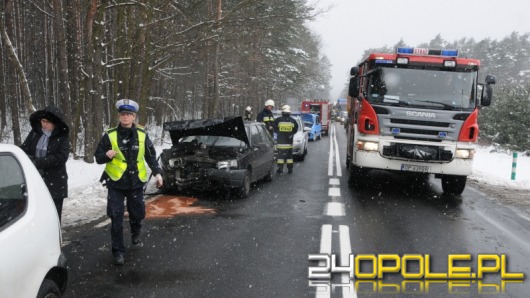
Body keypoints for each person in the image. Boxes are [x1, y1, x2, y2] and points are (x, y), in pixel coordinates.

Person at [95, 99, 164, 265]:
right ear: (119, 116)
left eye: (129, 114)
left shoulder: (142, 135)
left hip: (135, 183)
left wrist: (157, 173)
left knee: (138, 213)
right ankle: (118, 251)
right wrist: (107, 155)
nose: (125, 117)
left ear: (134, 117)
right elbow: (98, 158)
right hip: (116, 183)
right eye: (123, 114)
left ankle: (135, 232)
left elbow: (150, 157)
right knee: (116, 216)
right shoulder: (110, 135)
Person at [20, 106, 70, 222]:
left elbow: (61, 157)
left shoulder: (61, 137)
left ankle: (54, 239)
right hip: (34, 179)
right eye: (43, 121)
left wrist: (38, 162)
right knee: (35, 215)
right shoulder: (35, 133)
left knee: (53, 216)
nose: (45, 124)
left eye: (48, 122)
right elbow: (24, 149)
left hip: (55, 180)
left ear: (55, 123)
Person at [273, 105, 298, 174]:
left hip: (280, 142)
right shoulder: (292, 120)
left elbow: (275, 129)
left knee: (280, 156)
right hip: (289, 142)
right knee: (289, 156)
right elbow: (295, 129)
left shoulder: (278, 120)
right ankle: (290, 169)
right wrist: (290, 134)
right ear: (289, 112)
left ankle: (280, 169)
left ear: (282, 112)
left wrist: (280, 133)